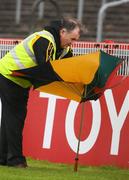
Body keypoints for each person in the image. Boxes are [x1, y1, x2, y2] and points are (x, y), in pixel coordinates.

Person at [0, 17, 83, 168]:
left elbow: (70, 70)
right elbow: (45, 69)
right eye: (72, 39)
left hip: (19, 80)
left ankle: (3, 158)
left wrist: (83, 82)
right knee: (15, 118)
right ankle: (16, 160)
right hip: (9, 75)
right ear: (62, 32)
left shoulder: (64, 48)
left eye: (75, 40)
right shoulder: (44, 40)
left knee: (10, 119)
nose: (73, 43)